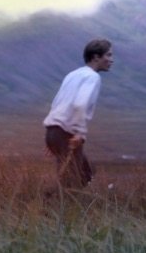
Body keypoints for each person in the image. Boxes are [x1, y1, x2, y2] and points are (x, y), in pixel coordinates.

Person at [43, 38, 114, 188]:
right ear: (96, 57)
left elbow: (57, 102)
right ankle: (49, 207)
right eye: (108, 55)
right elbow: (80, 104)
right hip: (66, 133)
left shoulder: (73, 74)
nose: (111, 60)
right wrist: (80, 133)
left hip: (54, 131)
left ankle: (52, 205)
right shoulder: (92, 77)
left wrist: (52, 137)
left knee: (84, 173)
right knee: (73, 181)